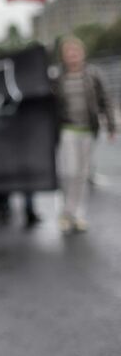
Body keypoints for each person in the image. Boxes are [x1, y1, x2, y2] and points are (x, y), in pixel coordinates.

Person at [54, 36, 116, 234]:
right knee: (69, 173)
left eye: (76, 51)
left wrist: (111, 126)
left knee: (82, 174)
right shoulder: (58, 78)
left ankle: (78, 214)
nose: (72, 56)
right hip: (67, 130)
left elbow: (105, 99)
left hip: (88, 130)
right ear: (63, 56)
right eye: (68, 52)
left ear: (83, 53)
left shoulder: (93, 75)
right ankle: (66, 212)